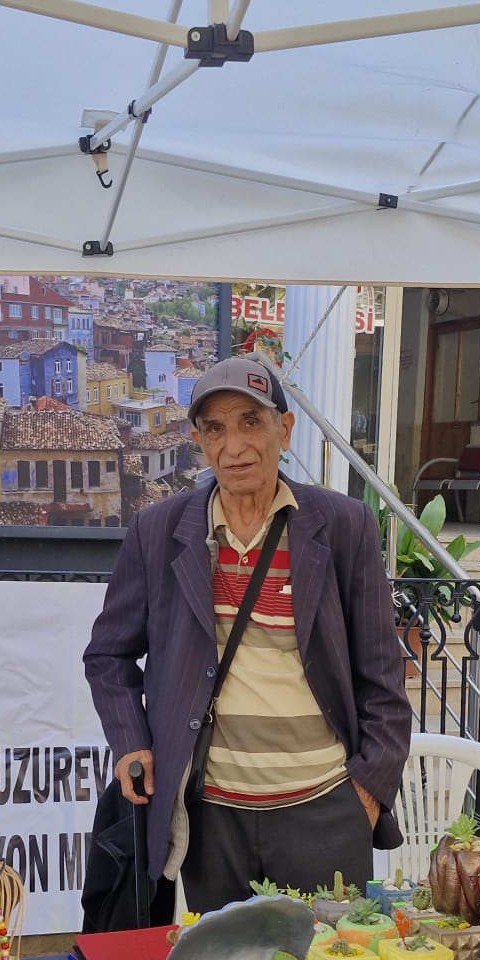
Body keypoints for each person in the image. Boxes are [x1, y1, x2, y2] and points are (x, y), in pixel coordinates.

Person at [83, 356, 412, 915]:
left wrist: (368, 791)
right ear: (198, 441)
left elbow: (382, 672)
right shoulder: (159, 532)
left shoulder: (344, 525)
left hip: (326, 809)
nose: (234, 446)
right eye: (215, 428)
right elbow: (108, 656)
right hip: (212, 818)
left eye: (251, 422)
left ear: (285, 429)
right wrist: (131, 741)